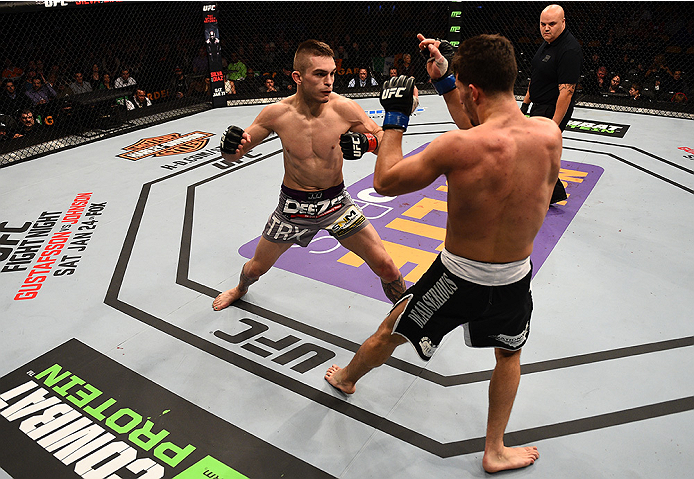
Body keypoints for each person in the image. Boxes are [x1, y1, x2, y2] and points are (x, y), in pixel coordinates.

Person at [325, 32, 560, 474]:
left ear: (473, 91)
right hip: (515, 279)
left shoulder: (457, 148)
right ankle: (495, 449)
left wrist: (393, 118)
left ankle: (345, 378)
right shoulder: (548, 135)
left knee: (392, 329)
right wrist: (448, 79)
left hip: (456, 278)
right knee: (509, 355)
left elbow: (386, 181)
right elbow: (486, 129)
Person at [212, 39, 406, 311]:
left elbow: (386, 142)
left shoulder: (345, 109)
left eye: (332, 74)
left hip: (336, 203)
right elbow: (235, 154)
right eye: (320, 74)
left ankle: (410, 317)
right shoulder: (277, 114)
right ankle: (239, 289)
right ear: (298, 77)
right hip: (293, 208)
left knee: (386, 265)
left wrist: (368, 144)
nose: (329, 82)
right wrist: (229, 148)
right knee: (256, 269)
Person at [519, 4, 581, 205]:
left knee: (536, 151)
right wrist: (525, 104)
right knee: (536, 152)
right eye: (543, 24)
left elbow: (566, 92)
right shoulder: (547, 43)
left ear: (563, 23)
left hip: (552, 108)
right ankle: (552, 193)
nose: (546, 28)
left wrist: (553, 125)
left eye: (552, 24)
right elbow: (536, 75)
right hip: (538, 105)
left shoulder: (569, 49)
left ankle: (549, 193)